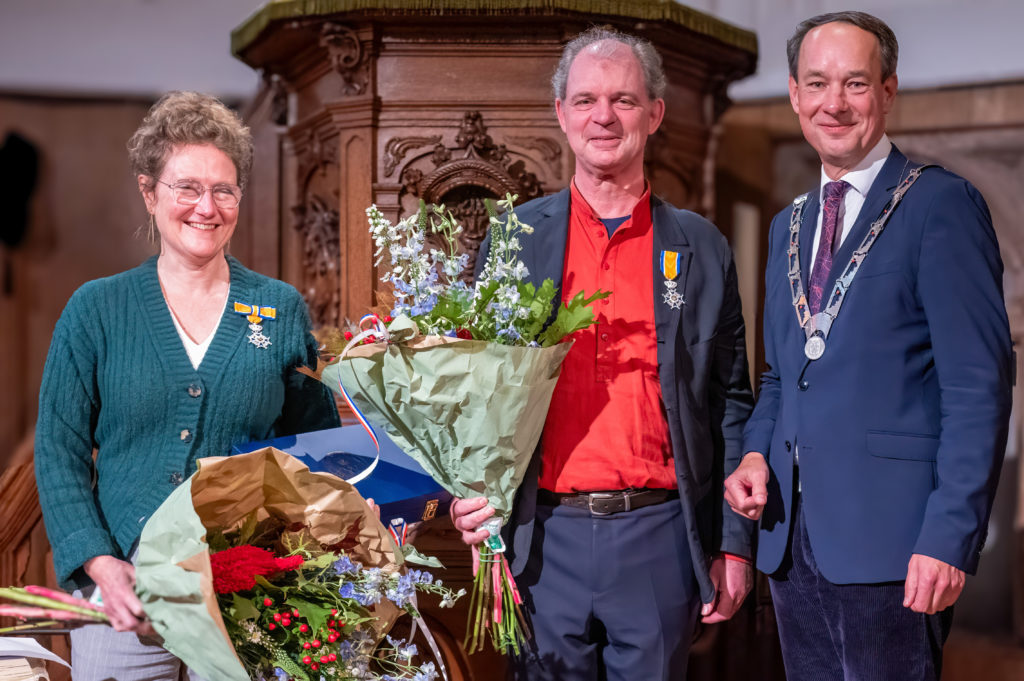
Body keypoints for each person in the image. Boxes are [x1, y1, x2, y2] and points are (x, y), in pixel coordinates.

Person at [452, 27, 755, 681]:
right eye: (586, 99)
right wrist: (465, 493)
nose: (604, 116)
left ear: (654, 114)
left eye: (623, 99)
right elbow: (472, 395)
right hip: (540, 539)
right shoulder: (513, 240)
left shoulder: (702, 247)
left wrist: (734, 544)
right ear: (561, 113)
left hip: (661, 538)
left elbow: (732, 401)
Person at [724, 11, 1013, 680]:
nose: (834, 103)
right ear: (794, 94)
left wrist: (949, 538)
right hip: (792, 542)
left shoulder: (939, 205)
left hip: (895, 543)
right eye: (817, 83)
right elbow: (778, 378)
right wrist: (757, 454)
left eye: (855, 83)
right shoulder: (786, 226)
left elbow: (980, 384)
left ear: (888, 91)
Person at [34, 91, 340, 680]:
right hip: (125, 598)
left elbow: (317, 445)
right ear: (150, 193)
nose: (207, 207)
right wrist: (100, 564)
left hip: (245, 594)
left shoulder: (276, 309)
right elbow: (59, 452)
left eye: (224, 190)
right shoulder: (96, 309)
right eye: (187, 188)